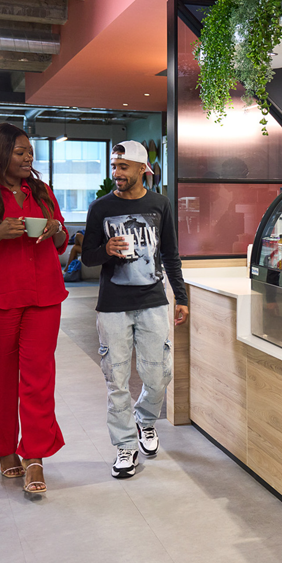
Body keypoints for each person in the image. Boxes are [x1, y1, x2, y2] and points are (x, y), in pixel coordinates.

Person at [0, 123, 70, 494]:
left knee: (38, 377)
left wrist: (56, 226)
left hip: (44, 298)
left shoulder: (42, 192)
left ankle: (35, 456)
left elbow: (61, 241)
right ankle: (3, 450)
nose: (28, 158)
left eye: (30, 152)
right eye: (20, 152)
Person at [81, 140, 189, 479]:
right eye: (114, 167)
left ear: (143, 169)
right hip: (113, 304)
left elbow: (170, 254)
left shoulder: (160, 204)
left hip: (153, 300)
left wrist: (181, 296)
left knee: (158, 375)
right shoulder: (100, 208)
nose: (116, 173)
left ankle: (145, 421)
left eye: (123, 167)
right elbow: (87, 257)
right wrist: (106, 250)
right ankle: (125, 446)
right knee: (116, 378)